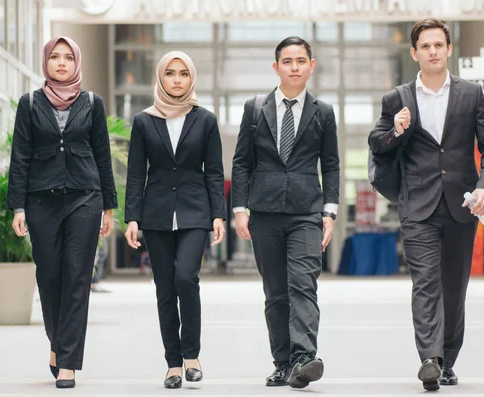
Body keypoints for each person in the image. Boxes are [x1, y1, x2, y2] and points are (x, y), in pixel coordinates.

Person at [369, 18, 484, 391]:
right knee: (425, 283)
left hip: (462, 204)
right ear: (414, 53)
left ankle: (448, 358)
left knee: (453, 287)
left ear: (448, 49)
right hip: (418, 205)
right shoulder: (398, 98)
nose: (432, 52)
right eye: (424, 46)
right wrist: (395, 129)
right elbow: (376, 142)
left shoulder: (470, 93)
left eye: (438, 45)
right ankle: (430, 359)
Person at [7, 36, 117, 389]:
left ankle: (67, 360)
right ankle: (57, 343)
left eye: (68, 57)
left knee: (77, 278)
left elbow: (102, 154)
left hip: (85, 198)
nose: (62, 63)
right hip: (41, 201)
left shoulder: (92, 103)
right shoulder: (29, 103)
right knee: (50, 275)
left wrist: (109, 207)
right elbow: (20, 156)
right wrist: (18, 207)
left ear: (76, 62)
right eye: (55, 56)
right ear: (46, 62)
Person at [231, 36, 340, 389]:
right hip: (264, 212)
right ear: (276, 67)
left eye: (301, 60)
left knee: (304, 285)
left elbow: (332, 165)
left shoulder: (322, 112)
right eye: (288, 61)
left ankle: (304, 357)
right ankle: (283, 363)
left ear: (312, 65)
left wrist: (330, 211)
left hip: (307, 212)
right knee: (276, 292)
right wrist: (240, 208)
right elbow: (242, 162)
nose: (295, 66)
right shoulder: (254, 107)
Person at [124, 51, 226, 389]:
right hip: (155, 214)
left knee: (186, 279)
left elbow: (214, 172)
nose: (177, 79)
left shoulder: (206, 120)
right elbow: (136, 174)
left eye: (183, 73)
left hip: (195, 212)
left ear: (192, 78)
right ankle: (172, 363)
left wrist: (217, 215)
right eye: (171, 73)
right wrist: (132, 218)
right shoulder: (143, 121)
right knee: (164, 289)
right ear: (161, 77)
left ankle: (192, 354)